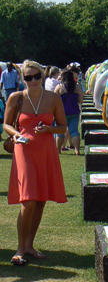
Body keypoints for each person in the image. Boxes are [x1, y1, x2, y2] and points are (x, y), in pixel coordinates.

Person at [3, 60, 67, 266]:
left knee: (40, 200)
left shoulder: (54, 98)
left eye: (36, 76)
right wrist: (15, 135)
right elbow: (6, 123)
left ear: (42, 76)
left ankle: (30, 245)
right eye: (28, 77)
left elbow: (63, 127)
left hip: (45, 151)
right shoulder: (16, 97)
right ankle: (20, 247)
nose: (32, 80)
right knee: (28, 200)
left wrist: (49, 129)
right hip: (24, 149)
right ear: (23, 79)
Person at [55, 68, 84, 155]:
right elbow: (81, 101)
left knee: (60, 132)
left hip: (62, 113)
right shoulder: (77, 87)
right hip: (74, 112)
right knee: (74, 131)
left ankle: (58, 150)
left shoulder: (59, 87)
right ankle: (77, 150)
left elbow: (54, 101)